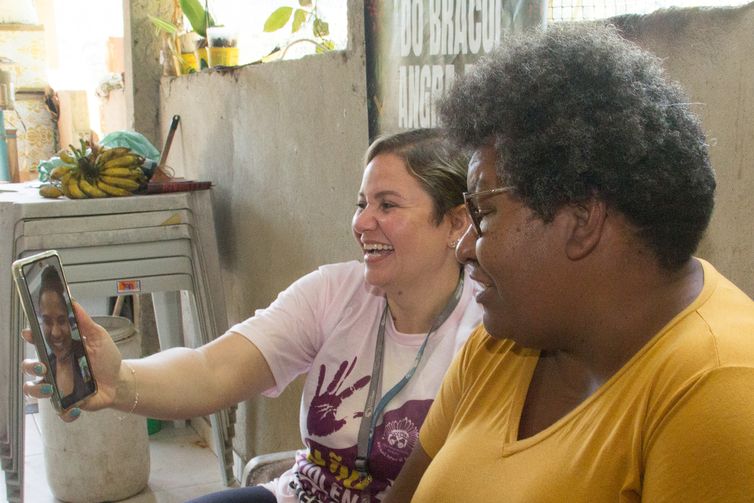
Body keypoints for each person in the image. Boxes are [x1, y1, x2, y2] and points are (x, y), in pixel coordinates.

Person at [385, 24, 754, 502]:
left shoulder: (720, 393)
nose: (464, 247)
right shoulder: (500, 347)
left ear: (582, 219)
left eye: (484, 213)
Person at [23, 128, 483, 503]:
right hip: (302, 494)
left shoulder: (486, 331)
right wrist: (120, 380)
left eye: (388, 205)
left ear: (456, 223)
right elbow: (212, 369)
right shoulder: (335, 291)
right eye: (362, 204)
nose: (362, 223)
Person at [37, 264, 93, 409]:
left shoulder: (87, 354)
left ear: (70, 321)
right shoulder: (46, 367)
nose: (56, 332)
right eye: (47, 322)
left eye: (61, 320)